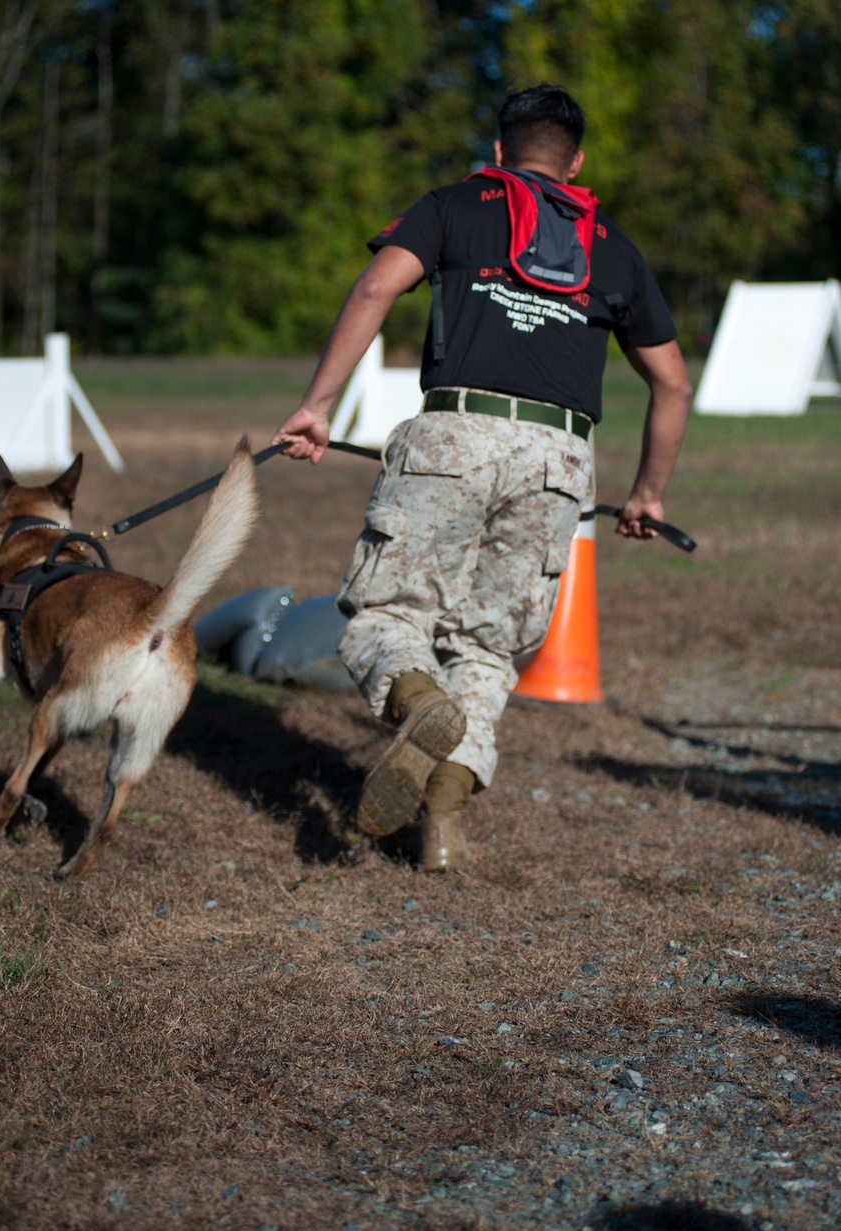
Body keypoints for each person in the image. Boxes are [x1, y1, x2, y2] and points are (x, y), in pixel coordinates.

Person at [273, 84, 692, 871]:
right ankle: (443, 826)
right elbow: (673, 383)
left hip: (454, 433)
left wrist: (316, 406)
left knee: (383, 613)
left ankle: (417, 700)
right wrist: (647, 492)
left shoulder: (453, 206)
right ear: (576, 163)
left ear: (499, 152)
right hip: (559, 456)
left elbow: (375, 288)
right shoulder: (613, 246)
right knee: (491, 648)